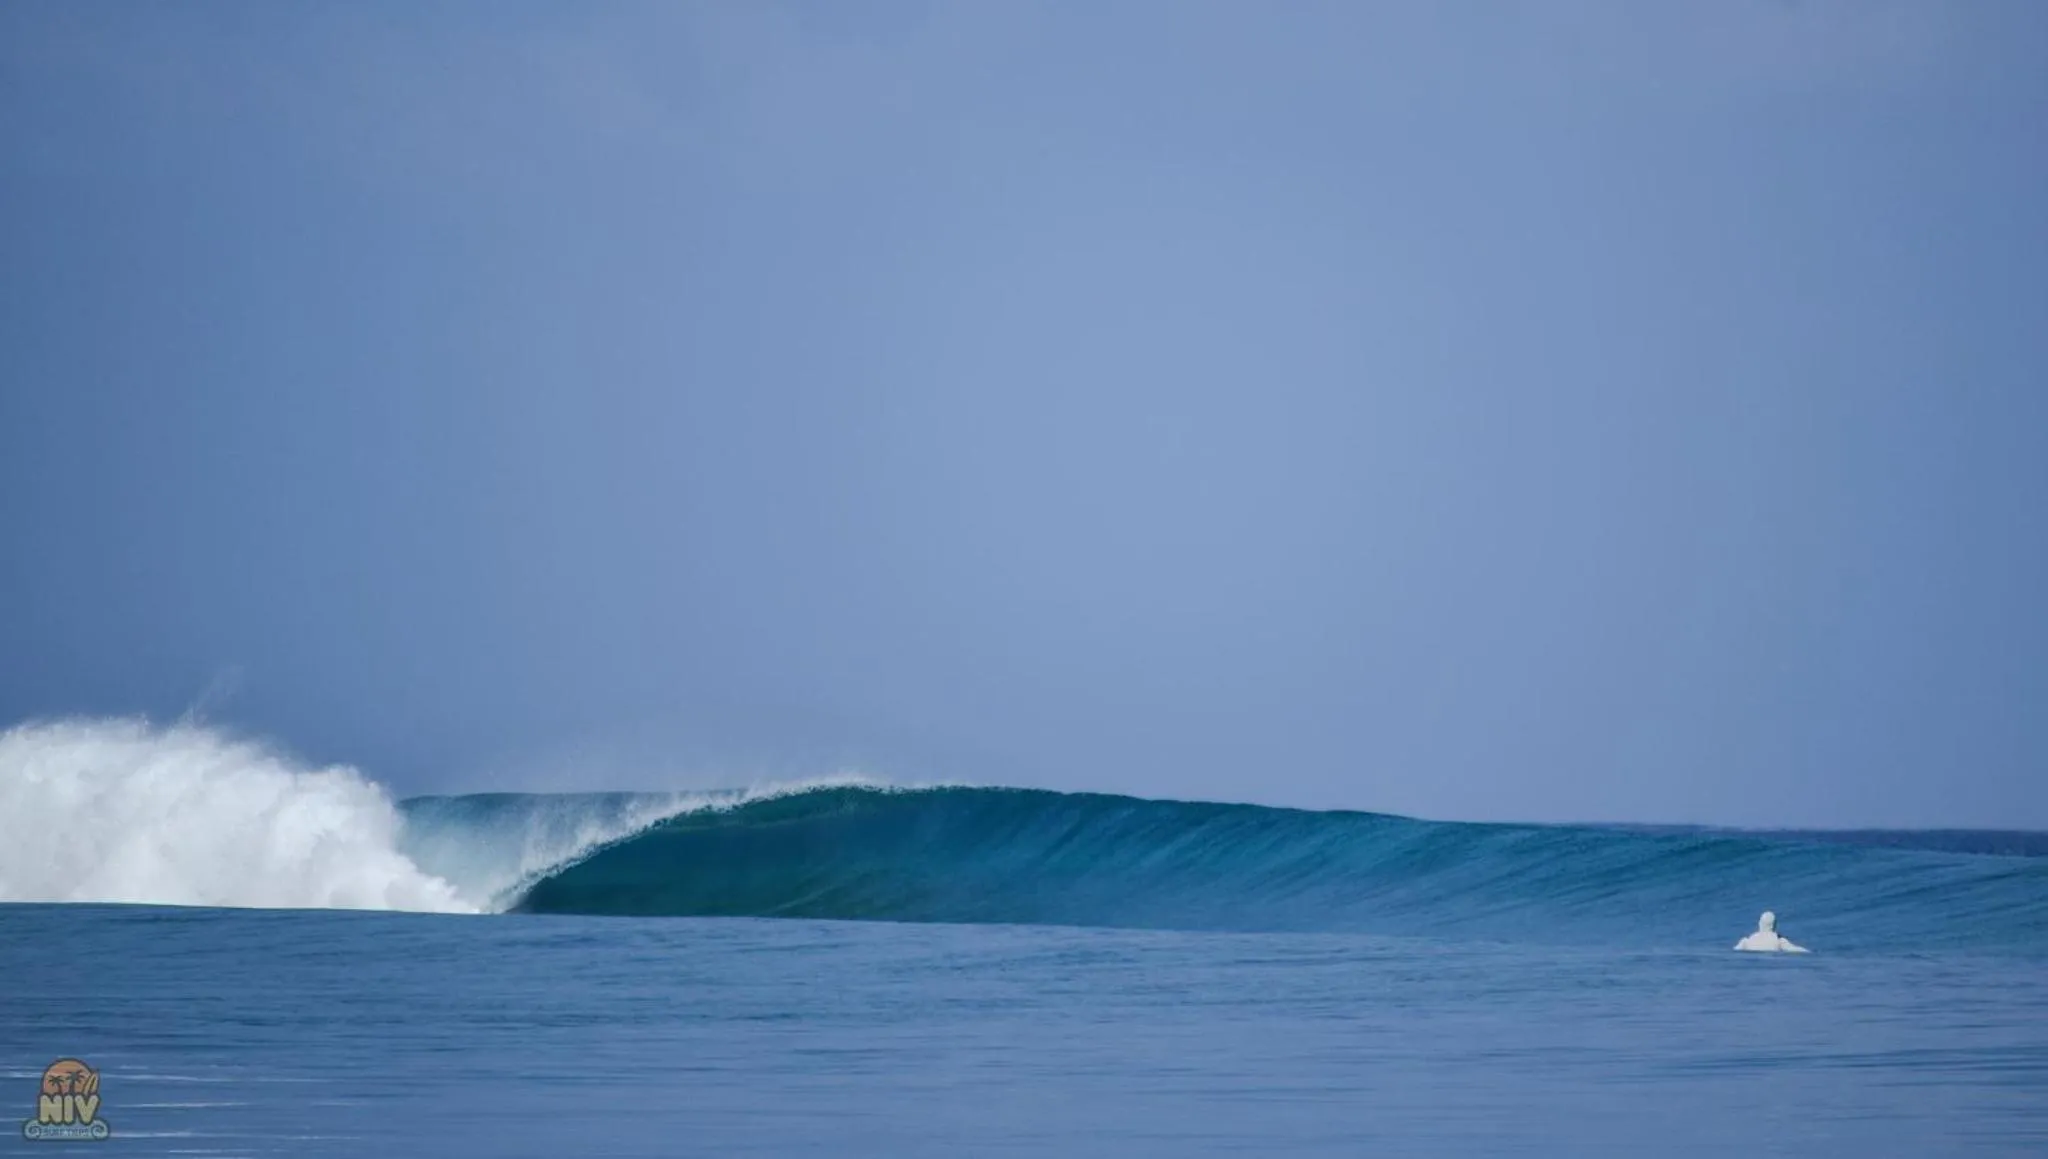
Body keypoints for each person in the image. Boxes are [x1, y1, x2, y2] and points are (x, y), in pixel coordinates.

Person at [1734, 910, 1808, 953]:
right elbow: (1794, 949)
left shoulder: (1747, 941)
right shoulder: (1779, 940)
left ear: (1760, 923)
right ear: (1774, 925)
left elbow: (1735, 951)